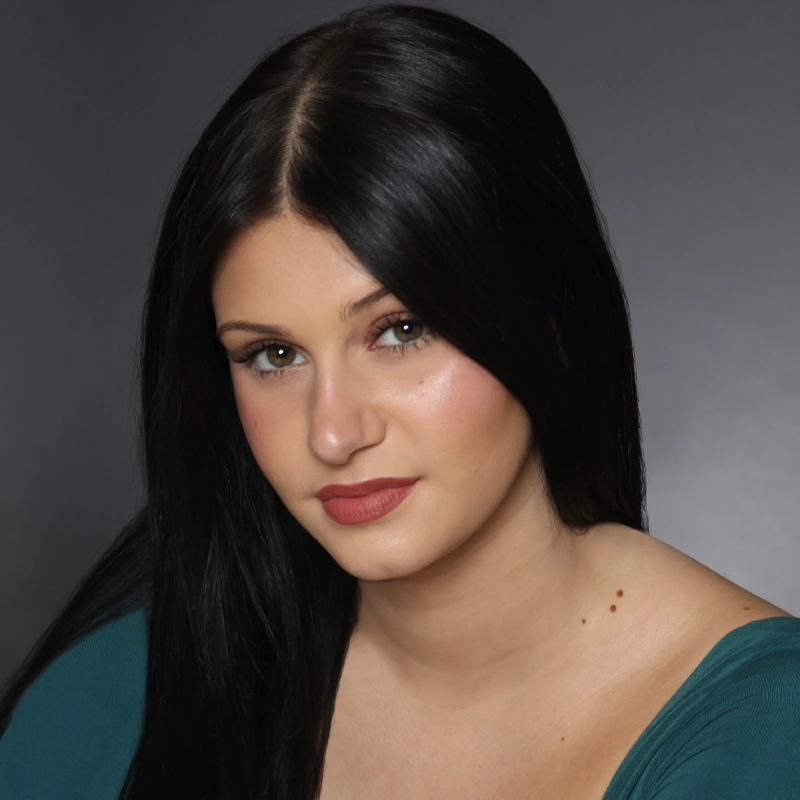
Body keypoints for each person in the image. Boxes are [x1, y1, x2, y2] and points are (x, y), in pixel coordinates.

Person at [1, 3, 798, 799]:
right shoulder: (114, 701)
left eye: (401, 330)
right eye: (272, 355)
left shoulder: (762, 732)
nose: (334, 433)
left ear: (552, 327)